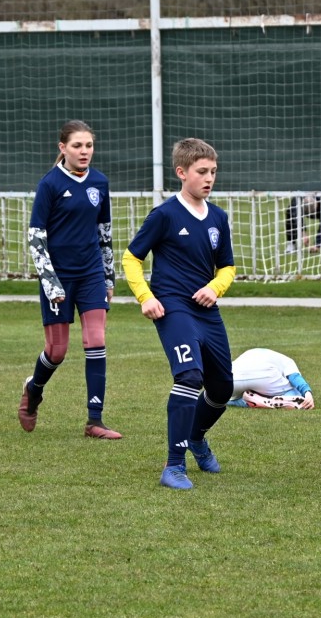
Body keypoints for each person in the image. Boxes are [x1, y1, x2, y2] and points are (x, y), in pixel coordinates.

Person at [122, 138, 236, 491]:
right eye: (202, 171)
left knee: (222, 388)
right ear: (182, 172)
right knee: (189, 377)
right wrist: (145, 297)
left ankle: (196, 437)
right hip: (172, 307)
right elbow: (131, 258)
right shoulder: (165, 215)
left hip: (207, 311)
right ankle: (173, 465)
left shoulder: (218, 217)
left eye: (213, 171)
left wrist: (215, 287)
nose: (209, 178)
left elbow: (227, 267)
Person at [18, 120, 121, 440]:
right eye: (77, 145)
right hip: (58, 277)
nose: (84, 151)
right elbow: (36, 237)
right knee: (57, 351)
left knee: (96, 340)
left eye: (89, 145)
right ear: (62, 148)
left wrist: (108, 277)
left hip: (91, 273)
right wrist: (50, 282)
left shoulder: (100, 182)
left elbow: (104, 234)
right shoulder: (49, 184)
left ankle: (95, 421)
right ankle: (33, 390)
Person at [227, 348, 314, 409]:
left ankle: (246, 401)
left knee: (225, 399)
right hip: (266, 376)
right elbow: (294, 377)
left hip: (234, 378)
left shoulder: (246, 356)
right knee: (296, 392)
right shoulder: (289, 361)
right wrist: (307, 392)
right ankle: (267, 399)